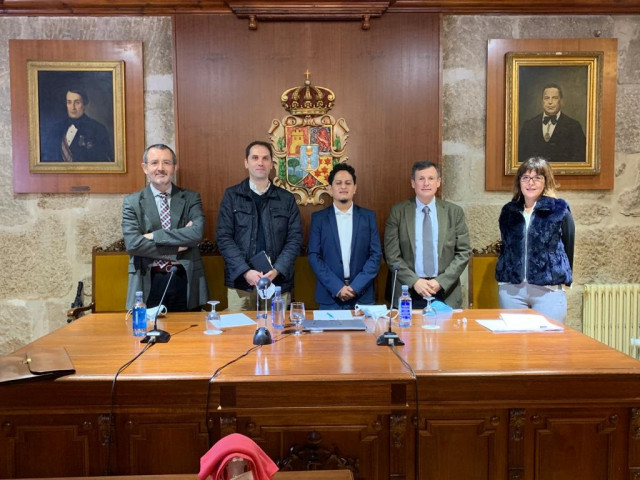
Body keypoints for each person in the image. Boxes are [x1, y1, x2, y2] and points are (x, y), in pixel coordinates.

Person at [216, 140, 303, 310]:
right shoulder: (231, 196)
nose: (260, 162)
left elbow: (295, 239)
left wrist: (277, 270)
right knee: (239, 333)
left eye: (265, 158)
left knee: (278, 332)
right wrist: (245, 271)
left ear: (272, 164)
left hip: (277, 282)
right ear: (246, 163)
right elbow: (223, 238)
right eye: (255, 158)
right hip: (241, 284)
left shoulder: (286, 199)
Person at [122, 144, 209, 311]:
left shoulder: (191, 198)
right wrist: (176, 247)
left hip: (184, 278)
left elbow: (196, 233)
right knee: (148, 334)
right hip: (148, 280)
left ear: (174, 167)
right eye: (154, 163)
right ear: (145, 167)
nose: (160, 168)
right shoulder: (131, 203)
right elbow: (133, 244)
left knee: (189, 335)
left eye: (166, 163)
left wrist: (154, 236)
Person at [495, 157, 575, 323]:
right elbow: (506, 246)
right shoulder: (509, 211)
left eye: (537, 178)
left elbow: (568, 245)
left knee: (548, 345)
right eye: (525, 177)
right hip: (512, 290)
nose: (530, 183)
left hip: (548, 290)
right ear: (519, 182)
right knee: (515, 343)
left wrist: (565, 276)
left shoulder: (559, 209)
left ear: (546, 181)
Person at [384, 161, 471, 309]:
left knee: (447, 332)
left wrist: (441, 282)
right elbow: (392, 255)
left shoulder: (454, 212)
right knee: (408, 332)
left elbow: (464, 252)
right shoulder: (398, 212)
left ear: (438, 182)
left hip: (445, 291)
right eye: (421, 179)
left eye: (431, 178)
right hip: (409, 291)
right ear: (413, 183)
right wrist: (415, 281)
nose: (426, 183)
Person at [308, 163, 382, 310]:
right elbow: (314, 256)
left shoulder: (368, 217)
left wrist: (355, 287)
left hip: (362, 296)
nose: (343, 187)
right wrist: (337, 287)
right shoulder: (319, 219)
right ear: (330, 188)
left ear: (355, 188)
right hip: (330, 296)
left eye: (348, 183)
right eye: (338, 183)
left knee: (363, 334)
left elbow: (375, 256)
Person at [41, 87, 114, 162]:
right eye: (69, 102)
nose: (73, 108)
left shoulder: (98, 129)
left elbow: (105, 162)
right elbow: (47, 158)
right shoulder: (56, 128)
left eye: (77, 102)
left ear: (84, 104)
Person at [518, 83, 586, 163]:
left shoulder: (574, 126)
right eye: (546, 98)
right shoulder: (528, 126)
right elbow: (520, 157)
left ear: (561, 101)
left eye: (554, 98)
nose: (550, 102)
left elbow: (580, 158)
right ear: (542, 101)